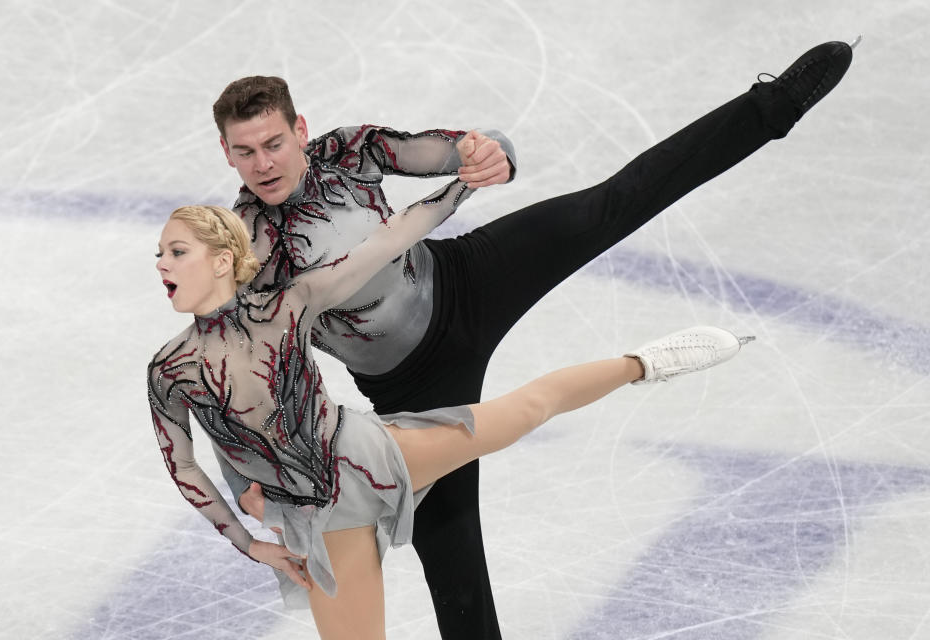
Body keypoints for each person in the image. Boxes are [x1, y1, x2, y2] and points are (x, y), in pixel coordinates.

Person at [209, 40, 854, 639]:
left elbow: (455, 149)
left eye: (273, 142)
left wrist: (490, 153)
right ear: (226, 152)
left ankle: (771, 106)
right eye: (246, 151)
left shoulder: (347, 152)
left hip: (467, 278)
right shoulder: (237, 252)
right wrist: (244, 485)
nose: (263, 164)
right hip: (410, 388)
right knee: (453, 560)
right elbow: (222, 378)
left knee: (607, 206)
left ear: (299, 130)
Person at [148, 201, 751, 640]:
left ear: (223, 259)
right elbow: (183, 462)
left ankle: (645, 363)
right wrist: (250, 543)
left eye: (177, 251)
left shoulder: (287, 304)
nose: (162, 263)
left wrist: (457, 186)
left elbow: (383, 246)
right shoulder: (169, 368)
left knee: (524, 411)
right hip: (317, 520)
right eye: (160, 254)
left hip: (367, 454)